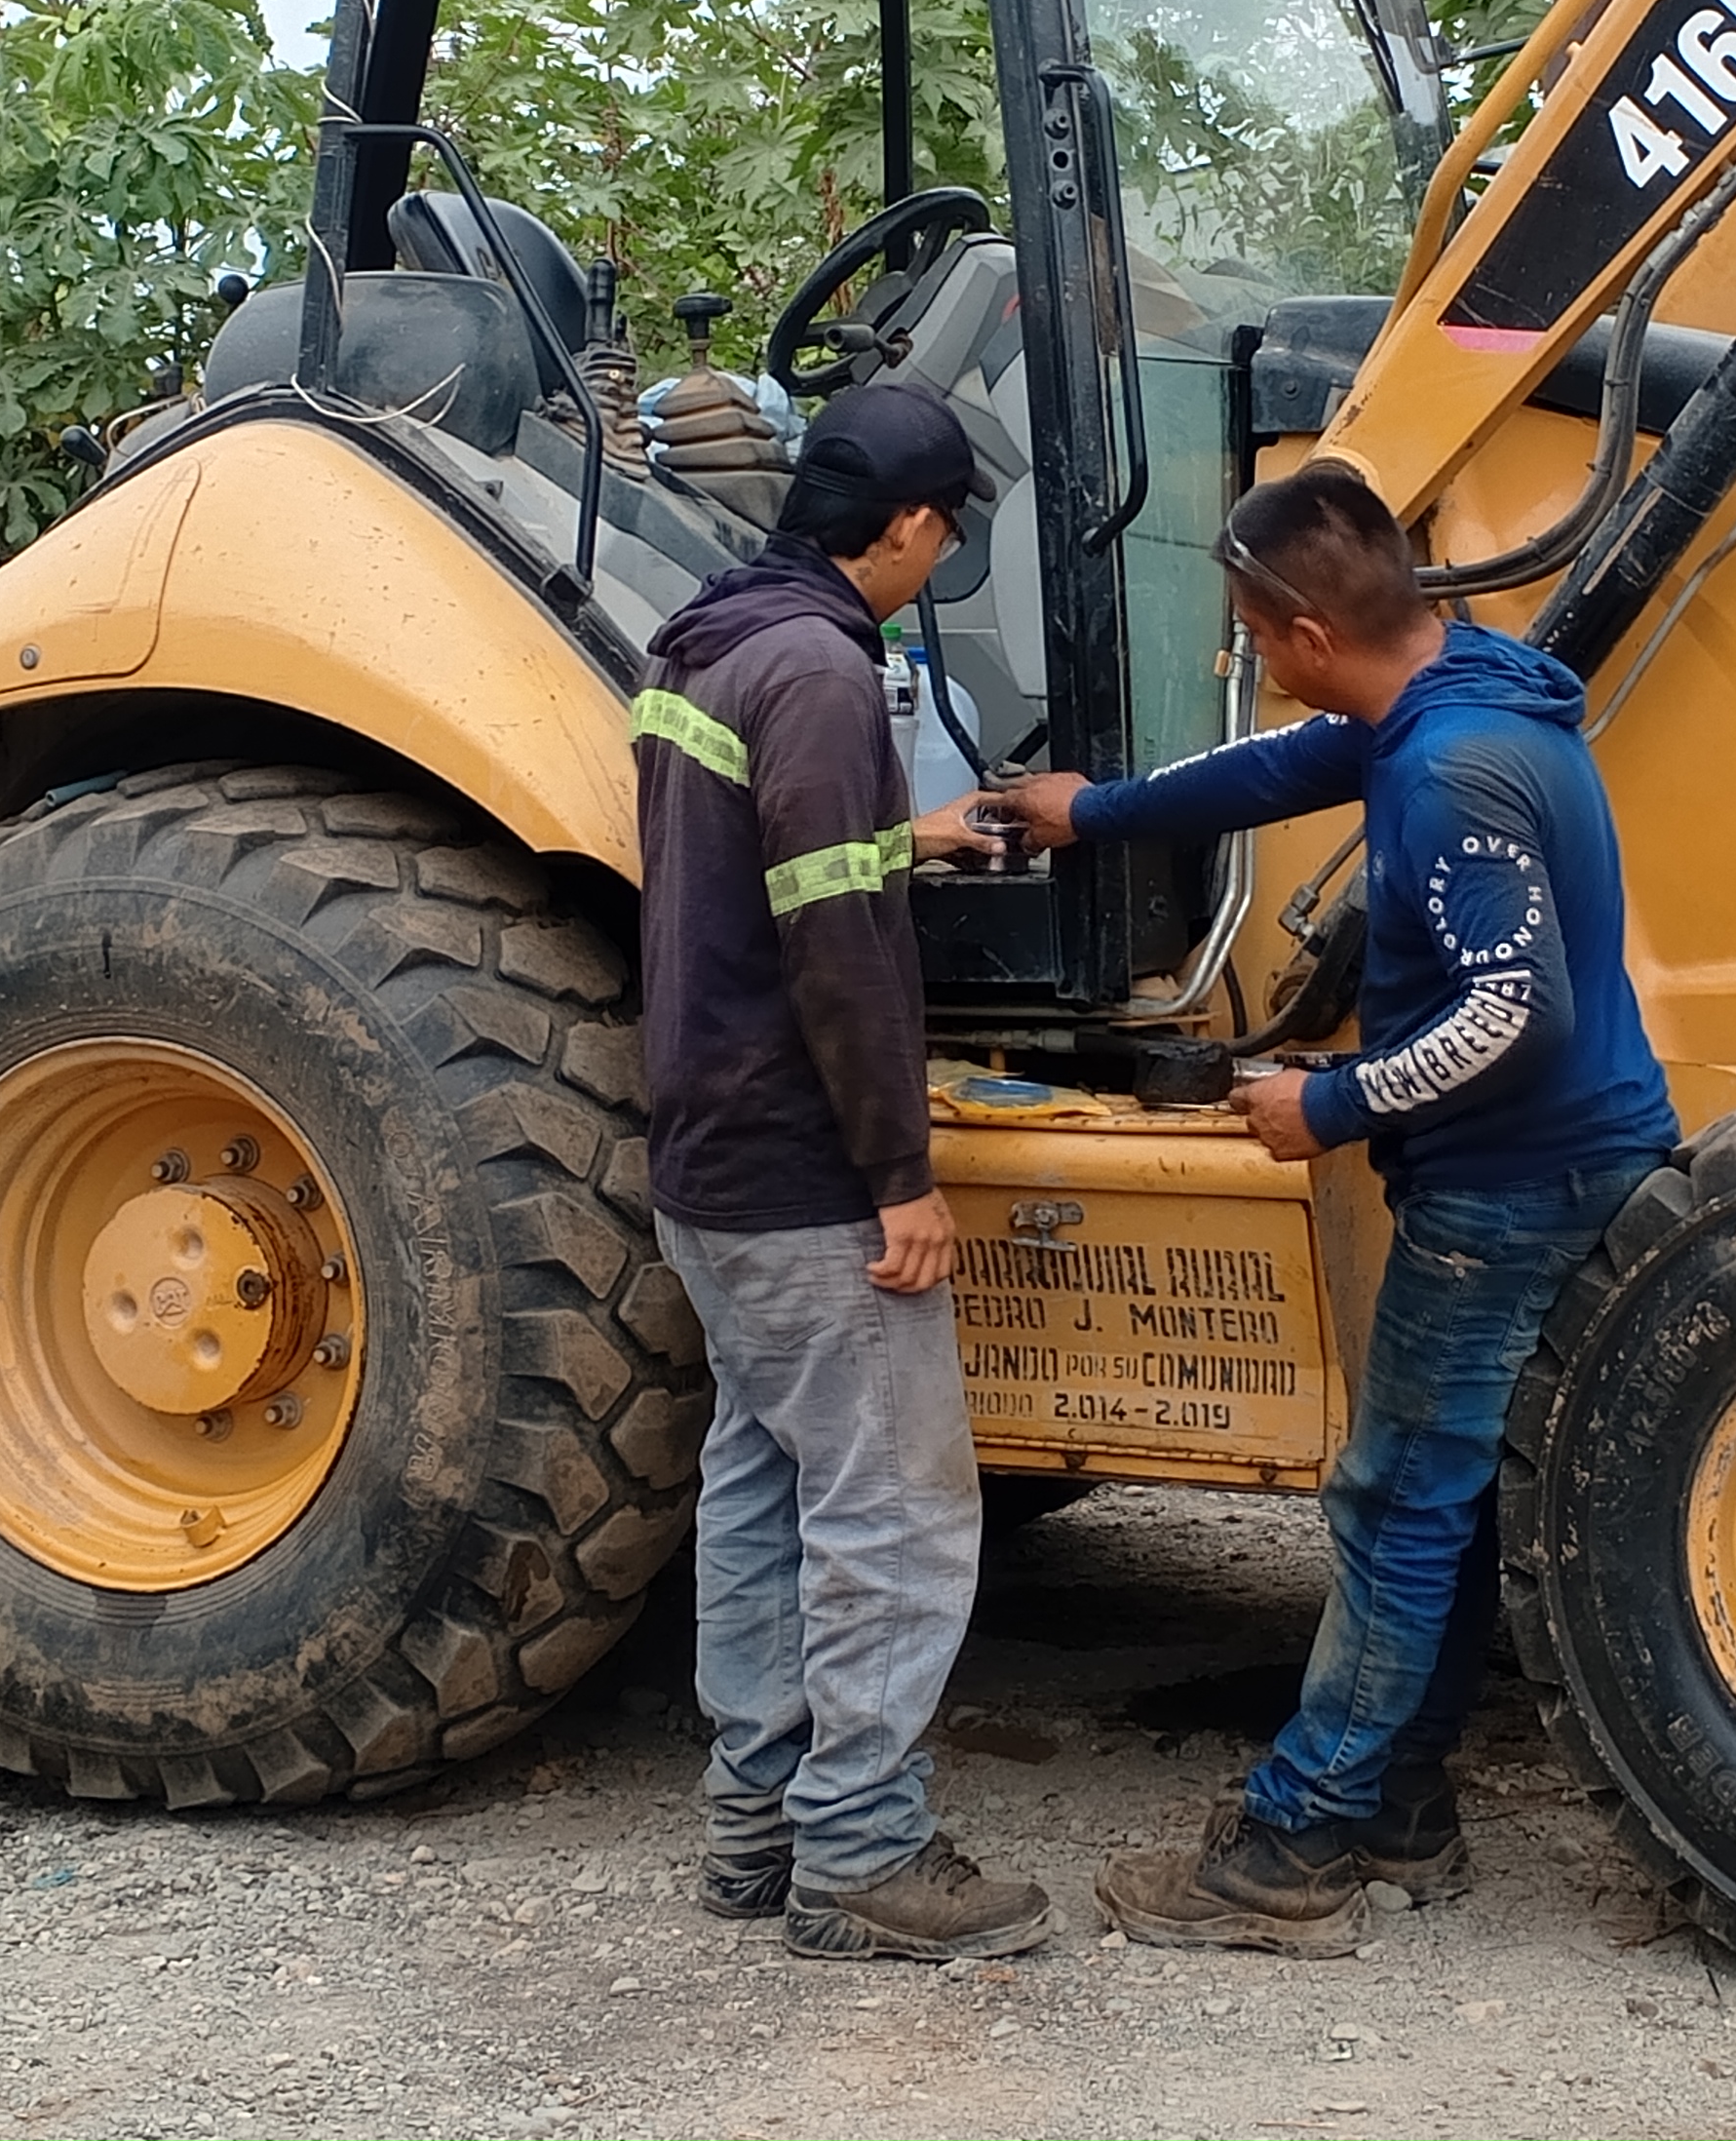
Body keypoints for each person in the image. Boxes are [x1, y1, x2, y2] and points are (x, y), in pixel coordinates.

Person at [992, 459, 1677, 1956]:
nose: (1256, 658)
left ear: (1306, 632)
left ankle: (1297, 1843)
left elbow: (1517, 1011)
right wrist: (1090, 812)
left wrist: (1335, 1103)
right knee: (1444, 1494)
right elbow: (1274, 772)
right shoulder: (1457, 689)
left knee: (1393, 1499)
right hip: (1565, 1155)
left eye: (1254, 634)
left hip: (1508, 1184)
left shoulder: (1448, 773)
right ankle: (1401, 1805)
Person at [634, 379, 1054, 1963]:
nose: (940, 558)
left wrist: (909, 837)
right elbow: (834, 948)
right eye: (945, 535)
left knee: (764, 1481)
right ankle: (863, 1854)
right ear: (912, 524)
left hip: (706, 1153)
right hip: (808, 1164)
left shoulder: (712, 644)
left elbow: (760, 870)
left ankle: (754, 1826)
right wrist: (899, 1173)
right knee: (894, 1510)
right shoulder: (818, 672)